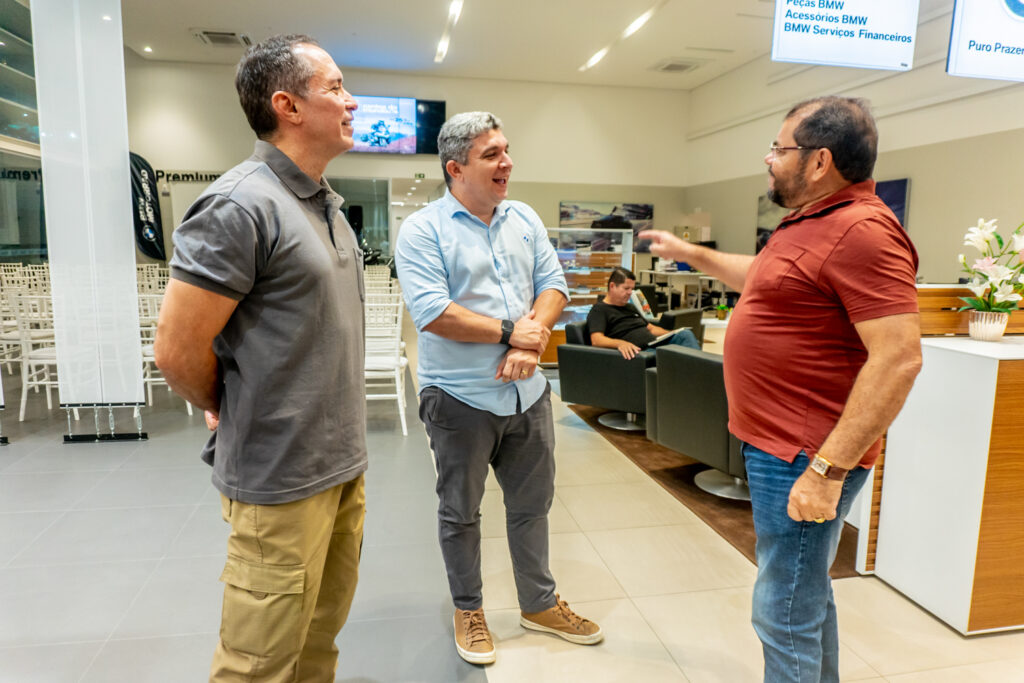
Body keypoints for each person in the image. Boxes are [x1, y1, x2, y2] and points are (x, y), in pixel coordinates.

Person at [641, 96, 922, 683]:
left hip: (804, 455)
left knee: (783, 612)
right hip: (780, 446)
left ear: (819, 162)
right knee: (804, 598)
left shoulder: (864, 232)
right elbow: (764, 277)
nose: (769, 159)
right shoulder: (809, 221)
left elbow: (898, 358)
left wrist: (827, 470)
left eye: (779, 148)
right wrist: (689, 253)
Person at [154, 34, 366, 681]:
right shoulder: (239, 204)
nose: (351, 100)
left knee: (317, 644)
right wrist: (229, 403)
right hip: (279, 480)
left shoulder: (327, 205)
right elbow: (176, 350)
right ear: (288, 105)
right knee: (257, 664)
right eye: (335, 87)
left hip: (342, 467)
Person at [395, 111, 603, 665]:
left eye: (506, 150)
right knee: (460, 511)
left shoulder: (523, 218)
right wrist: (513, 332)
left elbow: (553, 285)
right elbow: (433, 312)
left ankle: (538, 603)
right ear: (455, 168)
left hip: (528, 395)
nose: (507, 162)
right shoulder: (423, 229)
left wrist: (528, 347)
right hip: (459, 399)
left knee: (532, 506)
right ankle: (469, 609)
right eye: (492, 155)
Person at [587, 266, 701, 359]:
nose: (630, 292)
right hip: (641, 352)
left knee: (685, 334)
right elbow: (596, 340)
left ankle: (699, 371)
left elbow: (651, 328)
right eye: (626, 288)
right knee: (677, 355)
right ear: (612, 286)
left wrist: (672, 333)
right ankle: (700, 374)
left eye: (632, 289)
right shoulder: (599, 310)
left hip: (654, 344)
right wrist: (620, 343)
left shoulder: (630, 307)